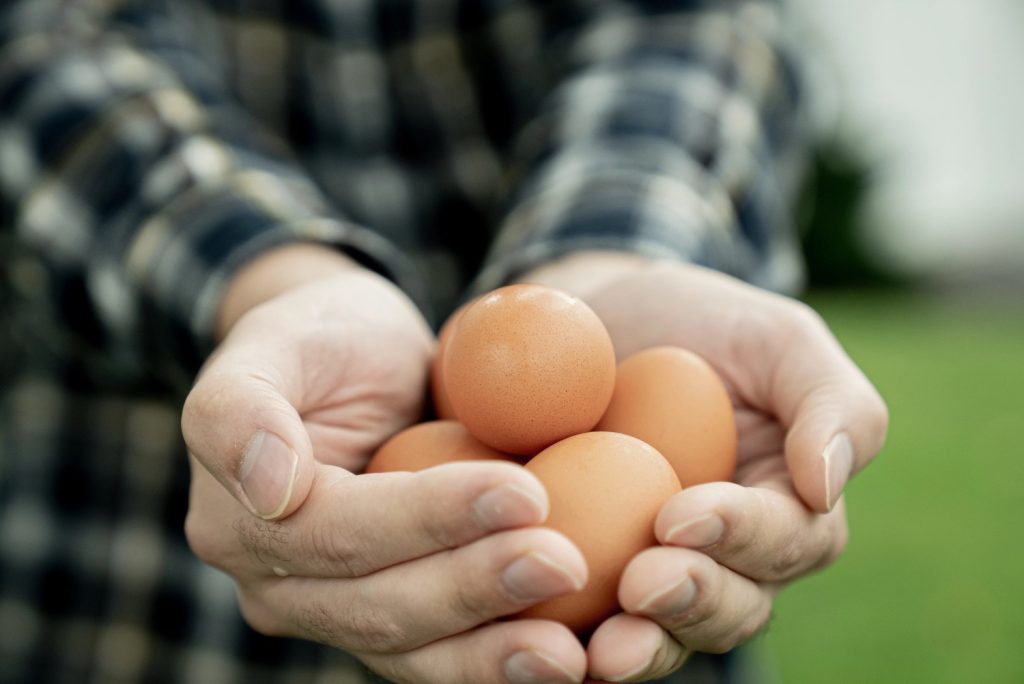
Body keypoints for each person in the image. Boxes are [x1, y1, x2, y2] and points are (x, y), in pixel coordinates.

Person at [0, 1, 888, 682]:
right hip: (131, 578)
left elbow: (689, 24)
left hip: (620, 650)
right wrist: (264, 274)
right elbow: (43, 39)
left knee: (613, 558)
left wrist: (612, 249)